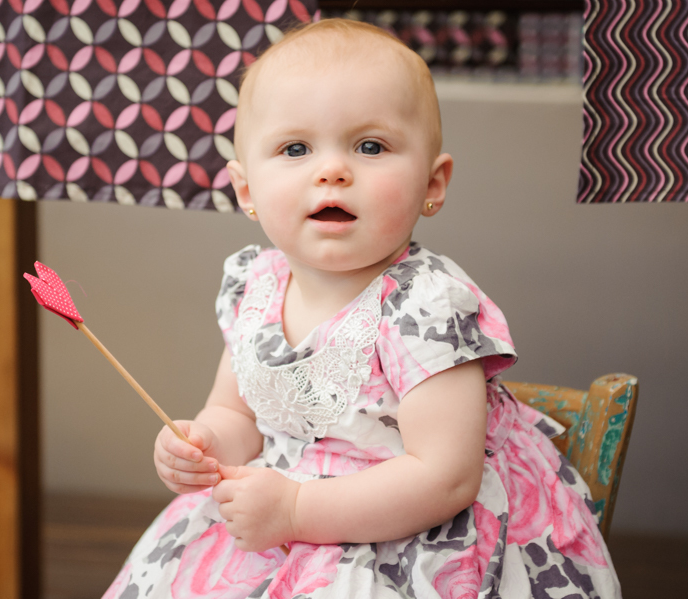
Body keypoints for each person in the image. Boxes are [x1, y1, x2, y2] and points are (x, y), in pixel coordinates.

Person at [104, 18, 620, 599]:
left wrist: (298, 509)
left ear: (433, 182)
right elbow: (240, 416)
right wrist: (202, 444)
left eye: (370, 146)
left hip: (406, 535)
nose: (332, 170)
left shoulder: (425, 305)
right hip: (276, 512)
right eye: (295, 148)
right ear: (247, 191)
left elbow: (445, 477)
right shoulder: (256, 284)